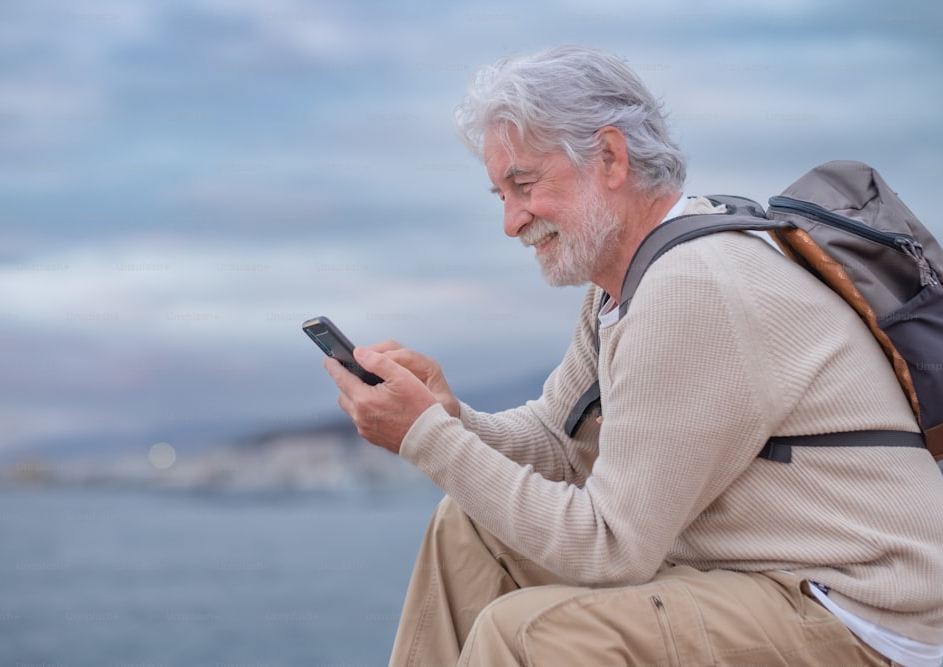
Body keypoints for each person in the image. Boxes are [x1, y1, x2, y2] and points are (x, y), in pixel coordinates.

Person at [323, 45, 943, 667]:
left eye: (525, 185)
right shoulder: (620, 288)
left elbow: (612, 548)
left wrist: (425, 437)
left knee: (531, 633)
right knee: (469, 530)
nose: (512, 222)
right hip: (769, 575)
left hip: (867, 611)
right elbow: (562, 442)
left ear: (611, 158)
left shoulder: (693, 284)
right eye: (500, 195)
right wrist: (448, 415)